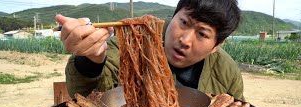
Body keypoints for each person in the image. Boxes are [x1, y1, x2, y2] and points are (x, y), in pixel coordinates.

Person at [55, 0, 245, 101]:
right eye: (184, 22)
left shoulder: (226, 71)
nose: (185, 40)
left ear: (217, 45)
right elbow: (88, 96)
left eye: (202, 34)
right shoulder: (135, 41)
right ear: (174, 15)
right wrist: (92, 57)